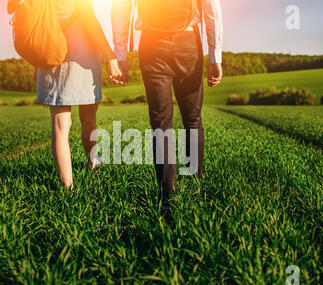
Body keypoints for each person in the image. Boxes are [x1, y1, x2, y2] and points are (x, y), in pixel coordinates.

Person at [112, 0, 224, 209]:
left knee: (161, 123)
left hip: (152, 45)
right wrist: (215, 56)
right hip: (188, 41)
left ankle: (168, 197)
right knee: (192, 119)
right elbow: (212, 9)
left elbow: (121, 8)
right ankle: (195, 186)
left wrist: (120, 54)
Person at [36, 0, 124, 193]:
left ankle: (68, 189)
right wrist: (110, 56)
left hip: (48, 49)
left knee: (60, 126)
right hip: (81, 52)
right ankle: (92, 163)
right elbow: (88, 19)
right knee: (88, 115)